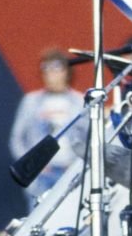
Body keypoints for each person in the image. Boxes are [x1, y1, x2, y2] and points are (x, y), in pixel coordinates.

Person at [8, 48, 86, 207]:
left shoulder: (79, 101)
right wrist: (30, 166)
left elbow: (89, 137)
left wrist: (77, 166)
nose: (50, 74)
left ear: (66, 71)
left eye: (56, 68)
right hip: (41, 175)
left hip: (69, 170)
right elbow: (16, 138)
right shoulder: (31, 101)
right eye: (46, 68)